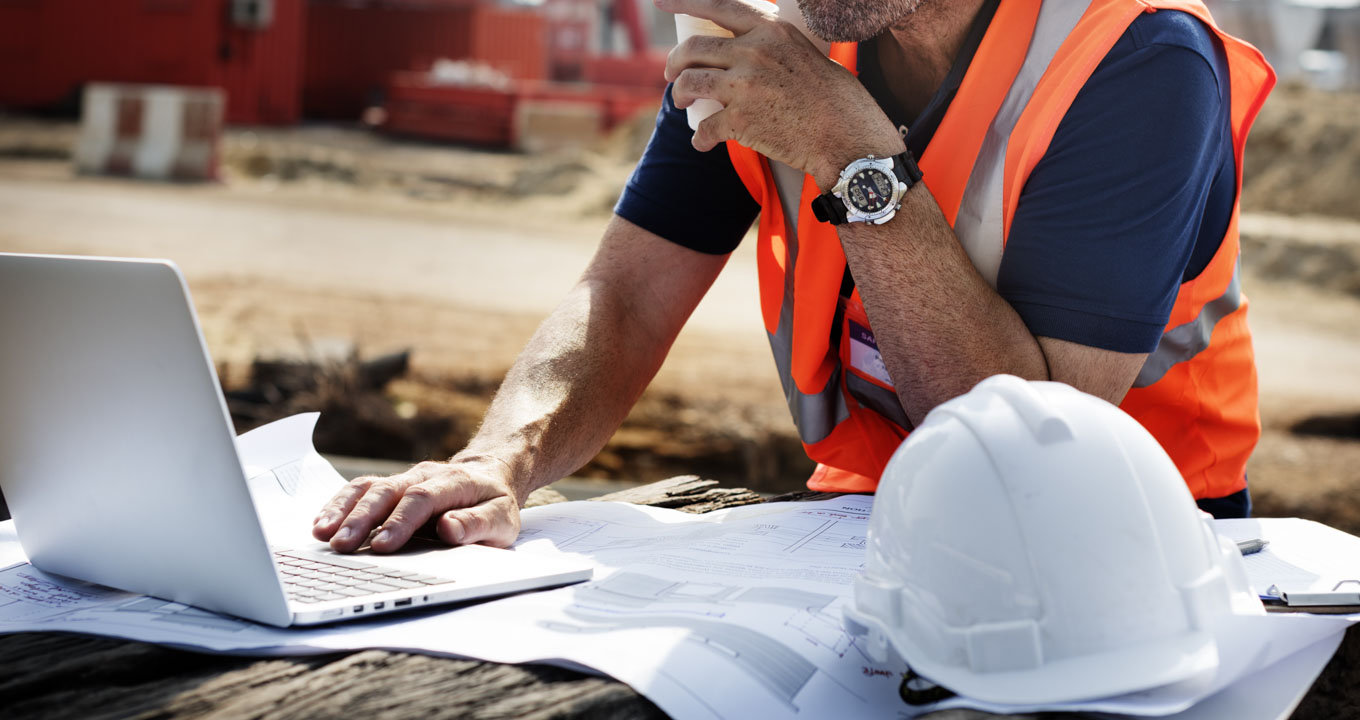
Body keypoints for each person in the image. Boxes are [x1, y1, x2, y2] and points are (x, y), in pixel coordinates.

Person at [312, 0, 1275, 554]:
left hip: (1135, 548)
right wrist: (500, 459)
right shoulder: (783, 43)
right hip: (859, 525)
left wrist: (853, 153)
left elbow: (1029, 463)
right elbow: (629, 293)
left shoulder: (1138, 59)